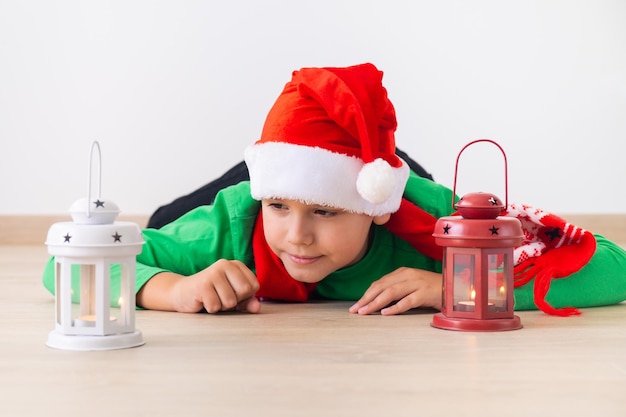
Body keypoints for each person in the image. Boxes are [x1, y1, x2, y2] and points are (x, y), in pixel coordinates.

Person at [42, 63, 626, 317]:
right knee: (175, 216)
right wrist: (170, 289)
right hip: (240, 196)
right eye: (281, 207)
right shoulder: (231, 224)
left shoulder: (432, 217)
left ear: (374, 210)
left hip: (392, 177)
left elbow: (610, 266)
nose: (296, 236)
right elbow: (61, 269)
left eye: (324, 210)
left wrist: (460, 286)